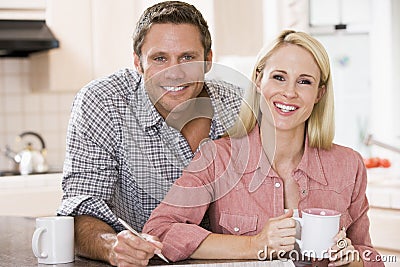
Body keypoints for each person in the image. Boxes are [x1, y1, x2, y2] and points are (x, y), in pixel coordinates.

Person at [143, 30, 383, 267]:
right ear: (258, 80)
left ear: (319, 93)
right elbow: (160, 231)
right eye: (279, 77)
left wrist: (355, 261)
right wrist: (255, 244)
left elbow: (370, 254)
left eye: (304, 81)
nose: (289, 92)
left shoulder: (348, 165)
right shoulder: (218, 157)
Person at [56, 1, 242, 266]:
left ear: (208, 60)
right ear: (138, 62)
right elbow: (80, 208)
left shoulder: (238, 104)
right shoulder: (104, 103)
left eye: (188, 58)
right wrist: (112, 247)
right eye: (159, 58)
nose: (174, 72)